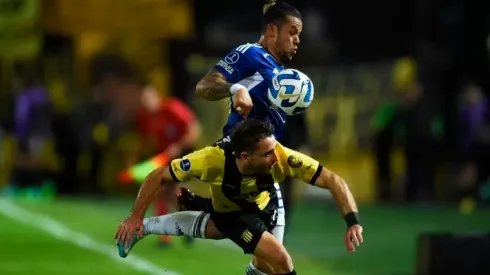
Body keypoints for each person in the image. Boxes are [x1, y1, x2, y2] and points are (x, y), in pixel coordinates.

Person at [115, 119, 364, 275]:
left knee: (264, 267)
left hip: (268, 204)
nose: (275, 157)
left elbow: (333, 180)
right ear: (245, 156)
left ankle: (156, 224)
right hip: (234, 213)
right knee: (281, 261)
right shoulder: (211, 160)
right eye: (267, 154)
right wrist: (135, 217)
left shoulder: (281, 155)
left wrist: (352, 221)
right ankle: (146, 227)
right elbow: (158, 175)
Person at [170, 1, 304, 273]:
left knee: (266, 262)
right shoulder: (250, 54)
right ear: (271, 30)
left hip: (263, 165)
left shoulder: (281, 73)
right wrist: (234, 89)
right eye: (292, 32)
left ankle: (207, 208)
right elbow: (204, 86)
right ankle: (205, 209)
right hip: (241, 162)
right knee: (278, 261)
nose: (297, 39)